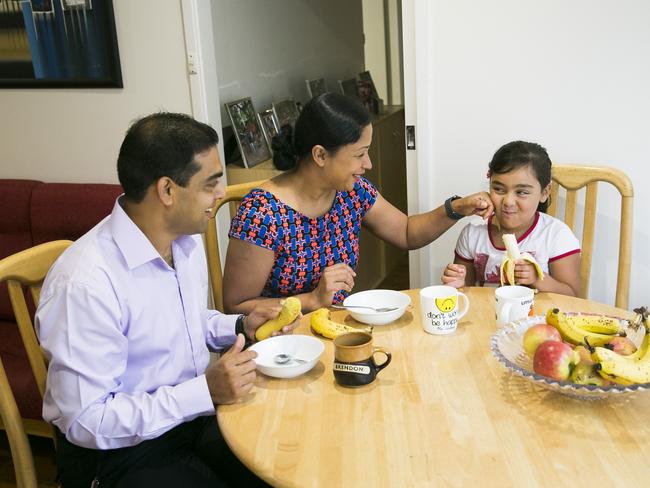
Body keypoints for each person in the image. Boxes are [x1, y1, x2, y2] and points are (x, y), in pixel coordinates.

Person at [35, 113, 298, 488]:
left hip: (186, 420)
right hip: (114, 455)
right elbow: (86, 420)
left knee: (278, 466)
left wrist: (240, 325)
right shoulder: (85, 282)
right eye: (210, 184)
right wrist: (202, 392)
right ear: (167, 191)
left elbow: (183, 322)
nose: (221, 194)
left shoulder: (184, 243)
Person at [222, 93, 493, 315]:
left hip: (334, 327)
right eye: (359, 154)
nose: (368, 164)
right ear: (320, 155)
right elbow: (237, 306)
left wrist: (457, 208)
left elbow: (406, 232)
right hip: (279, 347)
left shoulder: (351, 193)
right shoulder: (261, 213)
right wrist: (312, 300)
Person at [441, 140, 581, 295]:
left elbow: (573, 295)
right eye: (499, 189)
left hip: (538, 317)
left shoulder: (556, 235)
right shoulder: (473, 232)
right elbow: (465, 292)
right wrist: (457, 284)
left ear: (545, 192)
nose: (508, 201)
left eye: (521, 192)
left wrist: (538, 279)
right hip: (486, 315)